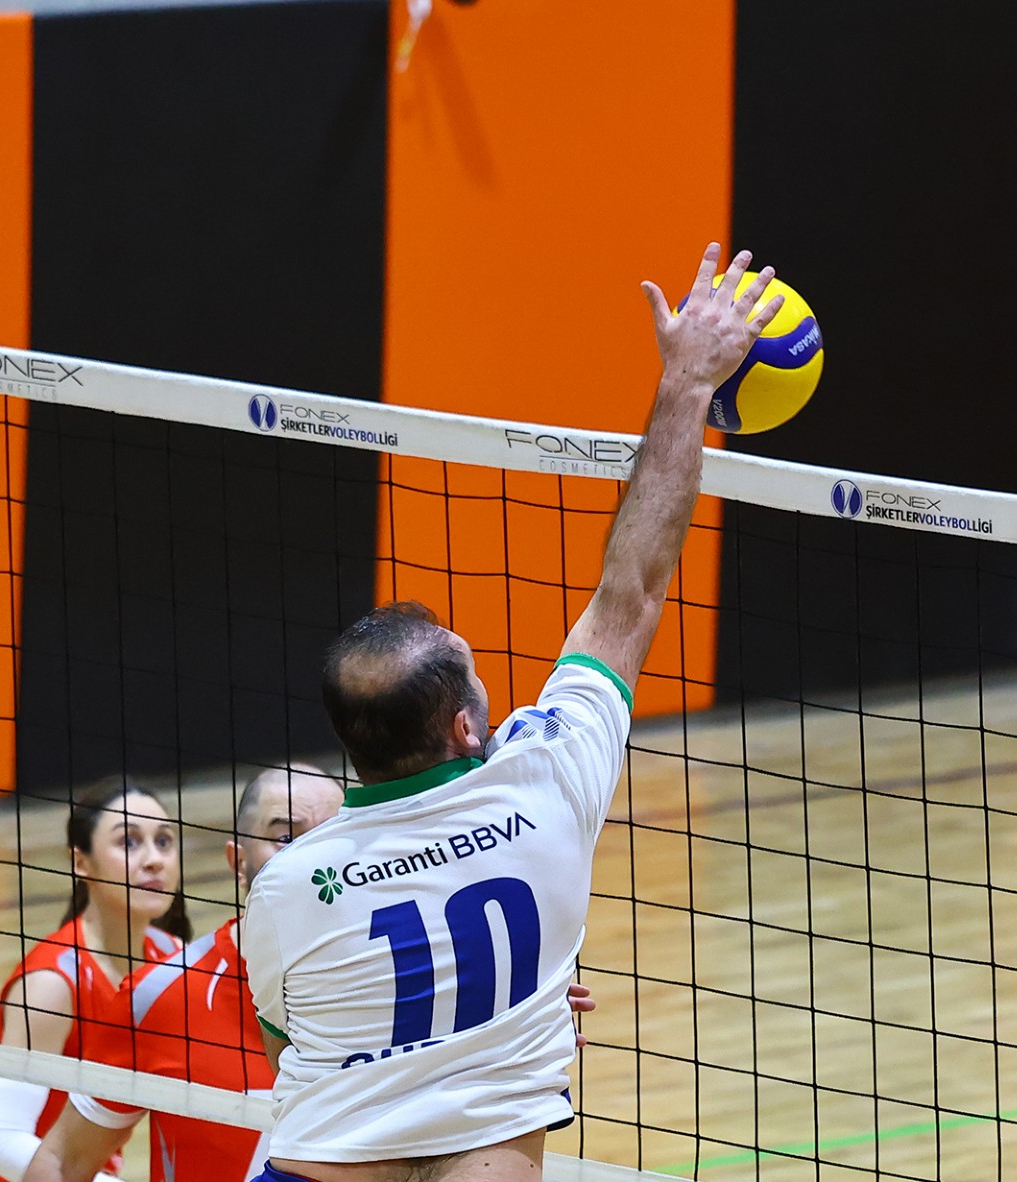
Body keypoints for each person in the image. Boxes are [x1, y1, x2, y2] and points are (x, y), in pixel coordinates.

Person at [238, 243, 782, 1182]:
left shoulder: (289, 884)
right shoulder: (545, 786)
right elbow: (632, 590)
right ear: (463, 728)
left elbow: (287, 1036)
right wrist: (688, 381)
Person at [19, 763, 347, 1181]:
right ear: (238, 861)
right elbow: (62, 1162)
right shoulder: (163, 996)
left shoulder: (403, 977)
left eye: (331, 835)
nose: (311, 856)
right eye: (285, 837)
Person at [0, 778, 188, 1182]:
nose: (154, 859)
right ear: (81, 863)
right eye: (129, 842)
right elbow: (0, 1143)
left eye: (164, 841)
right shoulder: (51, 985)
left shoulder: (173, 960)